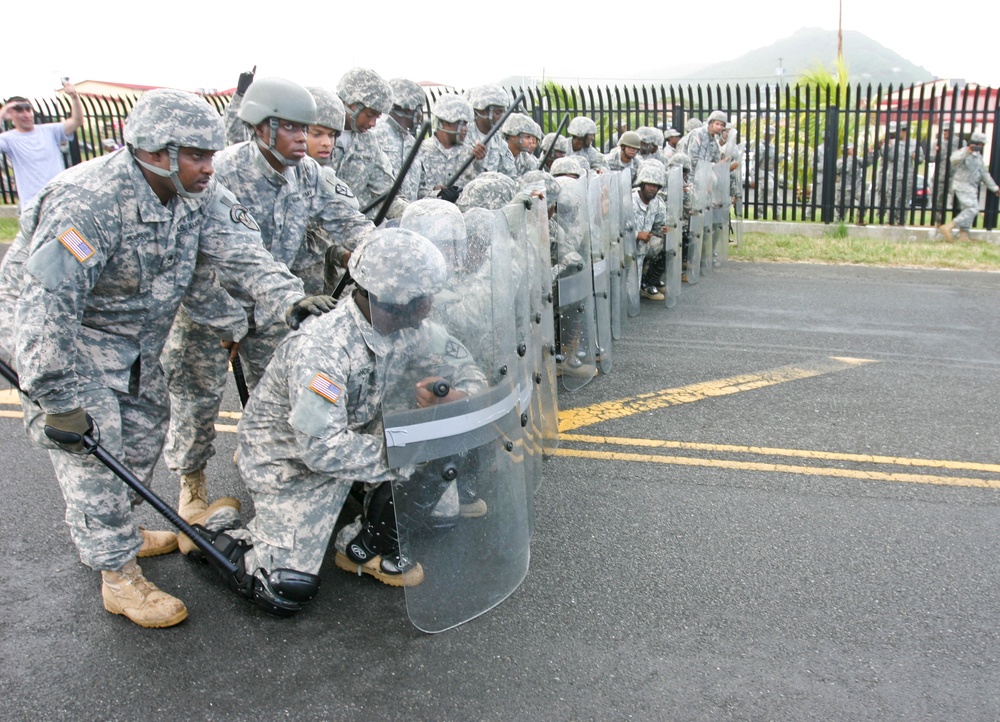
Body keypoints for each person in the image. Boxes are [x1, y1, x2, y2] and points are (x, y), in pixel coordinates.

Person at [0, 88, 327, 629]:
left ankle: (115, 532)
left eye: (212, 153)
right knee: (93, 452)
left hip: (135, 340)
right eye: (197, 155)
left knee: (145, 436)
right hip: (68, 343)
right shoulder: (89, 202)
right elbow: (44, 303)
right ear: (155, 151)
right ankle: (117, 574)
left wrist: (291, 298)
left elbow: (241, 251)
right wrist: (55, 396)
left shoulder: (198, 191)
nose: (209, 166)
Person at [192, 228, 486, 615]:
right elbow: (321, 451)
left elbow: (464, 366)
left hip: (356, 434)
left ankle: (361, 543)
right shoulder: (323, 351)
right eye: (422, 297)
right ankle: (218, 527)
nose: (430, 305)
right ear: (392, 299)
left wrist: (457, 395)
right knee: (283, 588)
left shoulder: (406, 326)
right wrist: (404, 452)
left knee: (441, 511)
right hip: (290, 461)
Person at [161, 77, 372, 527]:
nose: (304, 139)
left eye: (307, 129)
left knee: (277, 397)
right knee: (197, 401)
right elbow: (195, 260)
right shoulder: (225, 173)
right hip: (209, 308)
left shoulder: (309, 175)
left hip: (276, 301)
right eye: (293, 128)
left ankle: (271, 469)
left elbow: (351, 222)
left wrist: (386, 258)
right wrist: (225, 321)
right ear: (261, 128)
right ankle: (192, 485)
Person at [0, 81, 84, 210]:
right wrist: (2, 112)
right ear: (11, 115)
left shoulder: (50, 131)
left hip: (59, 198)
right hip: (32, 204)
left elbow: (77, 121)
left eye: (28, 109)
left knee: (69, 231)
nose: (26, 114)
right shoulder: (8, 138)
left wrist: (74, 97)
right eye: (19, 110)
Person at [334, 67, 402, 218]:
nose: (373, 123)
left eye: (377, 117)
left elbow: (386, 193)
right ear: (349, 102)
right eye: (369, 114)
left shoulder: (368, 142)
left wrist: (413, 213)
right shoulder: (315, 135)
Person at [938, 131, 1000, 242]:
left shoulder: (978, 157)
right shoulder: (964, 151)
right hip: (962, 185)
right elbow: (953, 159)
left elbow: (984, 174)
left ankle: (964, 235)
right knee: (972, 209)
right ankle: (949, 227)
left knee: (967, 209)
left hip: (971, 187)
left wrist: (994, 188)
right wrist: (967, 151)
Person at [372, 77, 426, 202]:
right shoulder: (374, 135)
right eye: (419, 109)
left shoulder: (412, 143)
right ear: (409, 108)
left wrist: (438, 194)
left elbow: (420, 190)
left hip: (408, 217)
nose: (420, 116)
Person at [415, 93, 478, 200]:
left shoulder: (470, 153)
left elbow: (478, 188)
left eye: (466, 124)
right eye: (461, 123)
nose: (465, 129)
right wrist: (437, 194)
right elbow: (415, 192)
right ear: (445, 123)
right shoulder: (420, 151)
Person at [464, 84, 515, 177]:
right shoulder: (463, 136)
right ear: (482, 111)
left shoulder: (499, 141)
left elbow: (510, 174)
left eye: (504, 112)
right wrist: (474, 160)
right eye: (498, 112)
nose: (502, 117)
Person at [500, 113, 542, 178]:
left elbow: (537, 175)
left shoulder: (524, 156)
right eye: (527, 137)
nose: (531, 142)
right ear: (513, 135)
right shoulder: (499, 152)